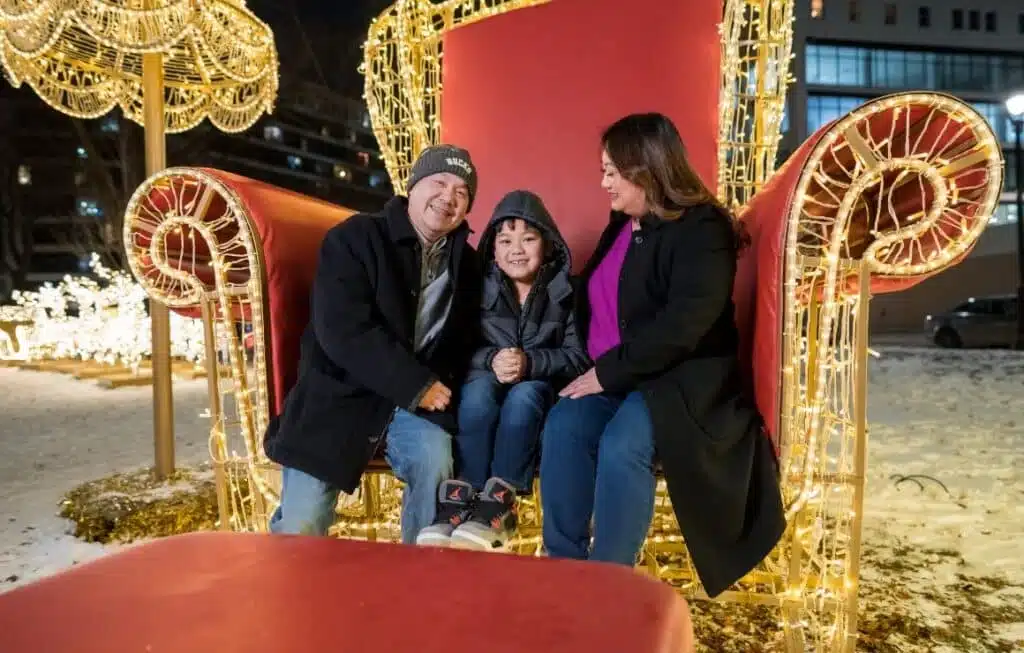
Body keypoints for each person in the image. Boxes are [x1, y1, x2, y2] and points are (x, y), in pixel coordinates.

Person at [538, 113, 785, 598]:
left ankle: (608, 586)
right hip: (619, 373)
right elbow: (596, 296)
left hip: (681, 378)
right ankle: (562, 573)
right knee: (564, 426)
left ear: (644, 168)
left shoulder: (703, 227)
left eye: (612, 171)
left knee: (622, 446)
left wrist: (607, 374)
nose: (603, 181)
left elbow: (684, 325)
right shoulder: (623, 225)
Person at [262, 144, 483, 544]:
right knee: (301, 525)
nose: (448, 196)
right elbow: (343, 331)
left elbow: (467, 342)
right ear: (413, 187)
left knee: (434, 464)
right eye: (439, 182)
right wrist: (416, 385)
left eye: (462, 192)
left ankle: (422, 583)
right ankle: (288, 595)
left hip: (418, 405)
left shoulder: (469, 265)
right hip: (339, 394)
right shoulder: (353, 239)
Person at [416, 190, 589, 550]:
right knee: (477, 395)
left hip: (540, 386)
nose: (517, 249)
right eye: (505, 240)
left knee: (525, 396)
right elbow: (456, 348)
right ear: (492, 248)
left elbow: (577, 356)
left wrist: (531, 363)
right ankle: (463, 497)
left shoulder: (567, 292)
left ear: (549, 244)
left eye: (529, 239)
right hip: (484, 378)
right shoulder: (476, 289)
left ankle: (499, 502)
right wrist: (491, 359)